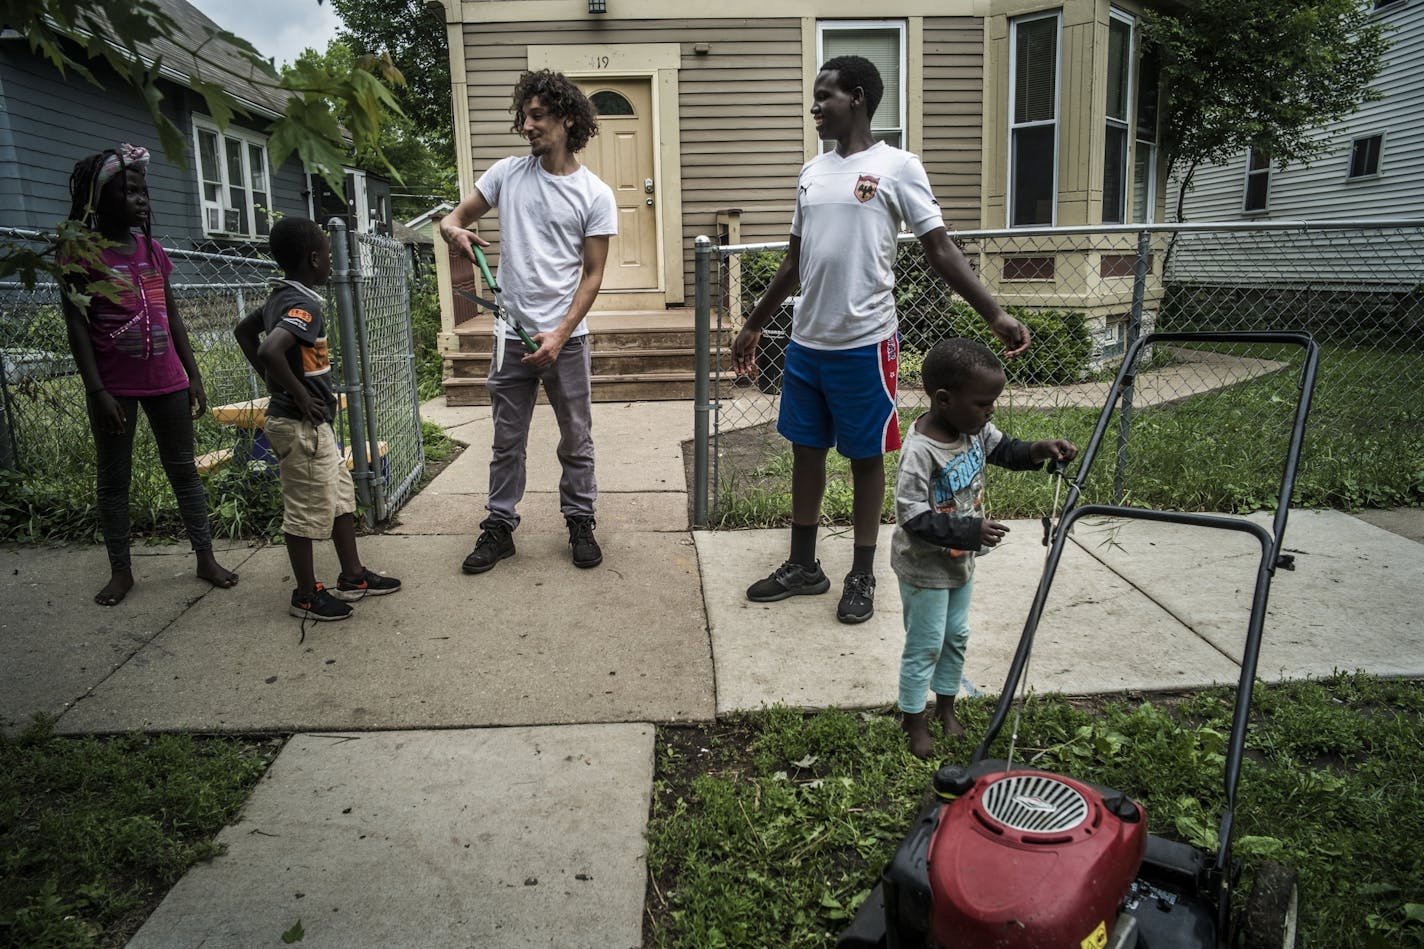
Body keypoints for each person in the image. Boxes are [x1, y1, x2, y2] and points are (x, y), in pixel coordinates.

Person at [731, 55, 1031, 625]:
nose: (815, 106)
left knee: (865, 458)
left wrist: (993, 313)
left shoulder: (898, 166)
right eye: (815, 97)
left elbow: (939, 248)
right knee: (806, 452)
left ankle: (861, 574)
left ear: (860, 97)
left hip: (866, 342)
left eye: (826, 96)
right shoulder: (812, 172)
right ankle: (803, 566)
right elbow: (794, 261)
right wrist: (755, 322)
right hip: (806, 341)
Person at [438, 69, 617, 574]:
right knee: (506, 442)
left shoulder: (594, 194)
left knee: (576, 438)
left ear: (566, 118)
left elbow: (593, 274)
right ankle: (499, 527)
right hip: (509, 337)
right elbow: (454, 218)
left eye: (537, 115)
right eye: (524, 116)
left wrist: (559, 334)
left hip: (567, 340)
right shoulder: (506, 175)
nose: (527, 125)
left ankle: (580, 522)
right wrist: (456, 232)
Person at [61, 144, 239, 606]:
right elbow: (76, 324)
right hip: (114, 388)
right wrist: (96, 389)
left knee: (184, 470)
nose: (142, 200)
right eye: (129, 191)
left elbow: (172, 315)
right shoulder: (80, 252)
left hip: (168, 381)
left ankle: (205, 557)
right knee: (114, 478)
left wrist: (192, 373)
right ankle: (121, 571)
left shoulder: (152, 249)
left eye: (144, 191)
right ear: (98, 198)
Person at [892, 338, 1076, 757]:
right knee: (926, 643)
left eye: (993, 401)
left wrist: (1038, 450)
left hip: (960, 563)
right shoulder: (920, 451)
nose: (990, 410)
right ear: (944, 399)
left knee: (956, 635)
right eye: (982, 402)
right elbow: (913, 517)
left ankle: (946, 707)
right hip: (924, 568)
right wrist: (969, 532)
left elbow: (1006, 450)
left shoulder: (973, 430)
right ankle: (912, 719)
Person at [234, 218, 400, 622]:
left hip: (313, 425)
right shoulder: (303, 305)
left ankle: (354, 576)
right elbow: (272, 350)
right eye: (327, 253)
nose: (330, 260)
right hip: (300, 426)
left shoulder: (281, 296)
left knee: (341, 497)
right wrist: (298, 393)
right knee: (305, 510)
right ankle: (306, 595)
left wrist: (277, 384)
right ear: (314, 258)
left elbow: (244, 332)